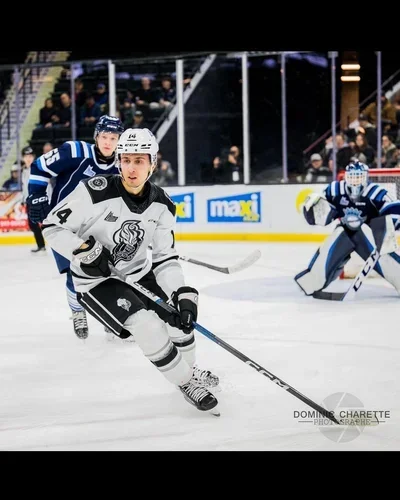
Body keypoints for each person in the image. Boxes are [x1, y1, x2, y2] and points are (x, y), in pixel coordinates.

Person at [40, 127, 220, 415]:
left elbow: (165, 258)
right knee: (146, 325)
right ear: (118, 161)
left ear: (152, 163)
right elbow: (52, 226)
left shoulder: (163, 205)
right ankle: (186, 382)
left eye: (139, 160)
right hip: (97, 282)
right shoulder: (93, 191)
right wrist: (83, 250)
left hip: (138, 272)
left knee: (179, 316)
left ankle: (190, 368)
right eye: (126, 160)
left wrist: (180, 291)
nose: (131, 168)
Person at [26, 115, 125, 340]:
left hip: (97, 226)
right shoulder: (75, 151)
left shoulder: (122, 164)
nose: (108, 142)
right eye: (104, 136)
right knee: (75, 273)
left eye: (113, 138)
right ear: (96, 137)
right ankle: (78, 310)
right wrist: (36, 196)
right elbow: (39, 167)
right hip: (62, 226)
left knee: (107, 272)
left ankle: (107, 315)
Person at [294, 161, 400, 296]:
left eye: (358, 176)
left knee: (384, 256)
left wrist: (390, 224)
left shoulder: (376, 193)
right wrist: (312, 208)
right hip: (344, 234)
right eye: (352, 176)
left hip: (369, 236)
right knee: (333, 242)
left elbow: (392, 211)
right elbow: (320, 209)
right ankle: (314, 281)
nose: (355, 181)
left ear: (366, 177)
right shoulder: (335, 190)